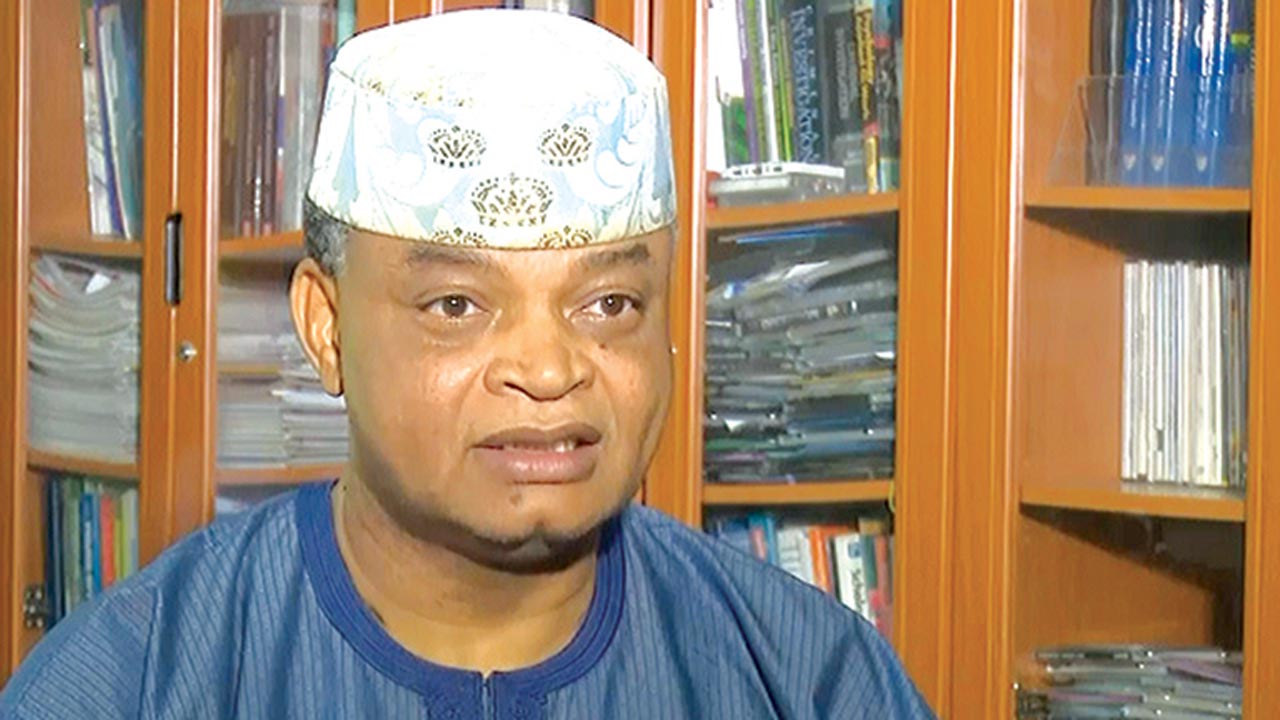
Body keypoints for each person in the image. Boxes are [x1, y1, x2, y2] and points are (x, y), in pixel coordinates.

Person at [0, 10, 935, 719]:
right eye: (457, 306)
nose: (548, 368)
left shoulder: (812, 681)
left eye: (609, 304)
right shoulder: (133, 680)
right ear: (326, 327)